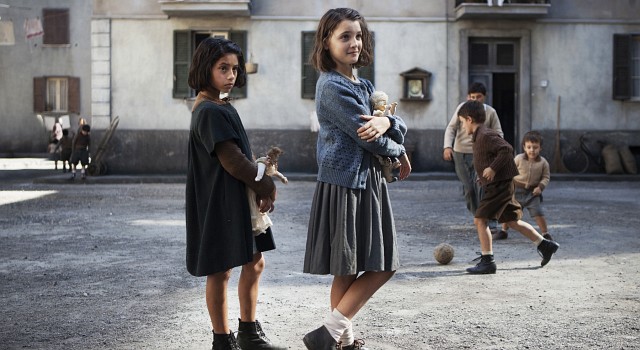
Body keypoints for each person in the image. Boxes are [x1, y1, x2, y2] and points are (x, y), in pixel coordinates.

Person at [302, 8, 411, 350]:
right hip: (345, 184)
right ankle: (329, 332)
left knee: (348, 270)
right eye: (344, 36)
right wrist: (393, 141)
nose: (353, 43)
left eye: (358, 35)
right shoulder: (332, 87)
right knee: (383, 264)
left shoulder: (362, 84)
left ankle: (341, 339)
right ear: (326, 42)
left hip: (367, 182)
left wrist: (388, 124)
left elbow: (394, 123)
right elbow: (368, 136)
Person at [184, 37, 284, 350]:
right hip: (220, 201)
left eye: (234, 68)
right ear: (205, 69)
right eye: (222, 68)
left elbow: (240, 159)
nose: (230, 74)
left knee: (254, 262)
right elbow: (232, 161)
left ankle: (249, 333)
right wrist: (264, 183)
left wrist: (258, 182)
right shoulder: (209, 111)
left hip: (236, 198)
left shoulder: (221, 105)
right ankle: (222, 340)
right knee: (221, 270)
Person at [457, 100, 559, 274]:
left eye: (461, 122)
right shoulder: (480, 136)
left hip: (498, 187)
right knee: (512, 221)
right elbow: (488, 158)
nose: (461, 126)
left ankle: (488, 261)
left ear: (469, 119)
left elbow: (506, 149)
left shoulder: (486, 135)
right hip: (500, 185)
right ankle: (545, 245)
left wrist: (492, 168)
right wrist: (483, 176)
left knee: (480, 220)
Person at [443, 82, 504, 237]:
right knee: (469, 188)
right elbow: (451, 128)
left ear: (484, 97)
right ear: (467, 97)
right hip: (460, 153)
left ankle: (488, 220)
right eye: (472, 97)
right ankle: (478, 215)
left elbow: (498, 133)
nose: (475, 99)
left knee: (482, 186)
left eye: (478, 97)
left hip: (482, 154)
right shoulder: (462, 109)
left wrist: (497, 152)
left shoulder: (490, 112)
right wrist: (447, 147)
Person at [497, 131, 553, 241]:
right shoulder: (518, 159)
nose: (532, 150)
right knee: (509, 212)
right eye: (529, 147)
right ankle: (503, 231)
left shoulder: (543, 163)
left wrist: (540, 187)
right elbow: (510, 171)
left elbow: (546, 177)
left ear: (540, 148)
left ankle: (545, 233)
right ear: (524, 147)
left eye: (535, 147)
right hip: (516, 191)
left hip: (533, 193)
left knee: (538, 212)